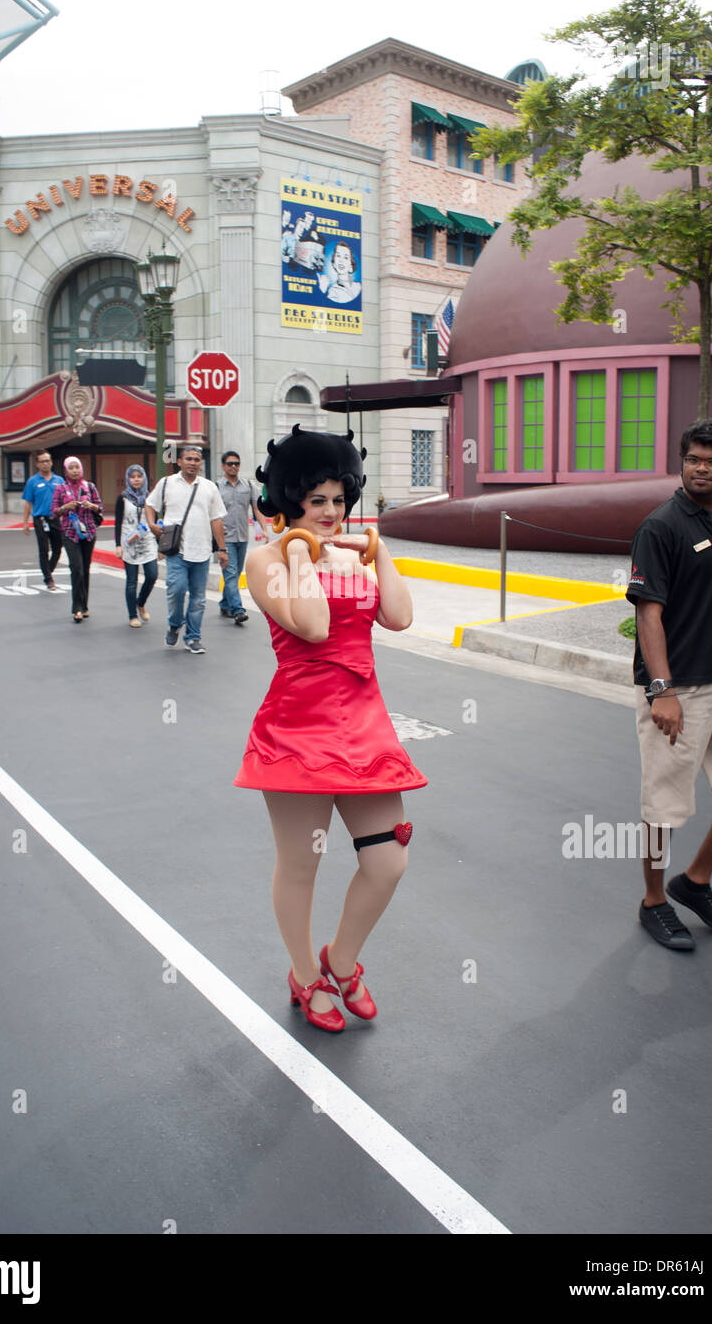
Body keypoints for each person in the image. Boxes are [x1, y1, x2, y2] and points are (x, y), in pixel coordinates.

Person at [234, 425, 427, 1031]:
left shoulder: (353, 553)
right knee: (301, 864)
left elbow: (398, 617)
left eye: (339, 500)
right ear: (291, 500)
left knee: (387, 860)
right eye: (316, 501)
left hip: (363, 724)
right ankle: (305, 976)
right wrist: (298, 552)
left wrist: (379, 553)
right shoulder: (264, 557)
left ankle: (341, 960)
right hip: (298, 727)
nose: (330, 512)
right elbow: (314, 627)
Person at [626, 418, 712, 951]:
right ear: (682, 463)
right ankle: (654, 901)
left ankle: (694, 882)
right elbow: (649, 616)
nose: (702, 468)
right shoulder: (661, 527)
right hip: (679, 687)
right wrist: (663, 690)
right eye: (693, 459)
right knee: (665, 804)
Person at [145, 445, 228, 654]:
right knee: (176, 590)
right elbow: (149, 504)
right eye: (188, 459)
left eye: (197, 459)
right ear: (179, 462)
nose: (193, 463)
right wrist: (151, 524)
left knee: (198, 598)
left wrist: (222, 549)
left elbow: (216, 519)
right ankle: (174, 624)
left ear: (201, 463)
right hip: (176, 551)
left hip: (202, 551)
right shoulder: (166, 484)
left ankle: (193, 637)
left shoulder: (209, 487)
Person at [217, 451, 266, 625]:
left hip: (242, 536)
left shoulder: (248, 485)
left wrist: (265, 529)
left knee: (234, 574)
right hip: (225, 538)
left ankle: (224, 603)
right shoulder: (217, 487)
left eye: (236, 463)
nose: (234, 466)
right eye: (230, 463)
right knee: (230, 574)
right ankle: (238, 610)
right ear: (223, 466)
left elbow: (256, 508)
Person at [51, 457, 103, 623]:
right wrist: (65, 507)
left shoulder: (89, 486)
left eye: (77, 467)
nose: (75, 470)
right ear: (66, 471)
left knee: (85, 569)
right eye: (71, 468)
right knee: (77, 568)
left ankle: (84, 606)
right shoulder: (60, 488)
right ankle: (77, 608)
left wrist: (91, 506)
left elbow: (99, 507)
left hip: (88, 532)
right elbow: (53, 512)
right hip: (69, 532)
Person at [115, 465, 158, 627]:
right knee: (131, 581)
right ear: (128, 479)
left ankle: (140, 603)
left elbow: (155, 521)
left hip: (148, 541)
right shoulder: (123, 498)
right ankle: (132, 615)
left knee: (152, 575)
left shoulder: (150, 498)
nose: (136, 479)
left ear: (144, 478)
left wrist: (160, 546)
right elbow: (118, 522)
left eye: (139, 476)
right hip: (130, 543)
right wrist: (118, 545)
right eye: (132, 477)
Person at [21, 450, 64, 590]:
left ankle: (48, 571)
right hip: (40, 519)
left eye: (48, 461)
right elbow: (28, 503)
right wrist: (25, 522)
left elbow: (65, 500)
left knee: (57, 548)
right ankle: (48, 578)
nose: (46, 464)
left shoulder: (59, 480)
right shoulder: (32, 481)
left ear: (51, 462)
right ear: (37, 464)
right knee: (44, 549)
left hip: (56, 518)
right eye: (42, 461)